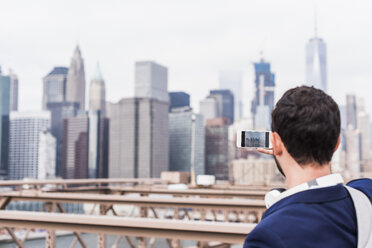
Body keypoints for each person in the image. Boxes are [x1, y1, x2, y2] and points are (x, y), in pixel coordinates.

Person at [244, 86, 372, 248]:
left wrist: (281, 149)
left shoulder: (268, 236)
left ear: (275, 142)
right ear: (337, 143)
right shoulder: (366, 194)